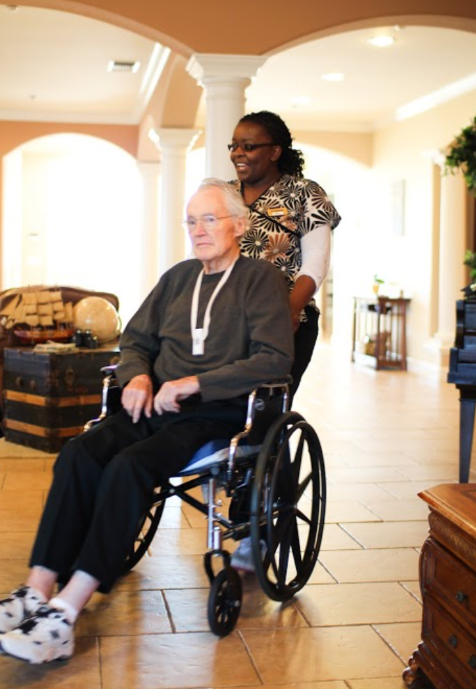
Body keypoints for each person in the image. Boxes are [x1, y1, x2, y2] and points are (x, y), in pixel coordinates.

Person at [0, 179, 293, 664]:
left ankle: (66, 614)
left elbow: (273, 361)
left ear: (239, 225)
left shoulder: (259, 279)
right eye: (191, 220)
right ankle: (37, 588)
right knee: (79, 454)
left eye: (210, 219)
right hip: (154, 404)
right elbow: (134, 341)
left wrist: (195, 384)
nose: (198, 230)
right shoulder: (177, 278)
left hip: (218, 413)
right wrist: (136, 378)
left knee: (129, 467)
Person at [229, 110, 341, 401]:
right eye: (234, 146)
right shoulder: (223, 195)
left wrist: (287, 312)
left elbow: (316, 263)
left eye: (248, 146)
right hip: (228, 322)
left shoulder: (305, 194)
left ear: (275, 152)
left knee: (265, 408)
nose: (238, 153)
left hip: (286, 320)